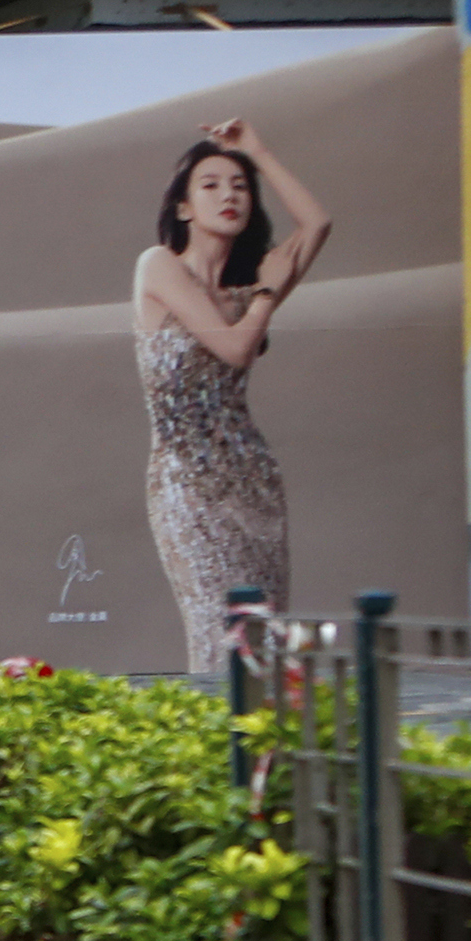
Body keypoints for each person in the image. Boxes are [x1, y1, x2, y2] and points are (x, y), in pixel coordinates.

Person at [137, 118, 329, 672]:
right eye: (212, 184)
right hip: (185, 486)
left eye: (240, 187)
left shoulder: (247, 288)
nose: (229, 195)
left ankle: (266, 752)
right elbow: (236, 349)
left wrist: (258, 152)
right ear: (183, 207)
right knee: (218, 635)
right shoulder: (159, 267)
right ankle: (224, 755)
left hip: (254, 483)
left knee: (264, 640)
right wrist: (268, 291)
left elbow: (317, 222)